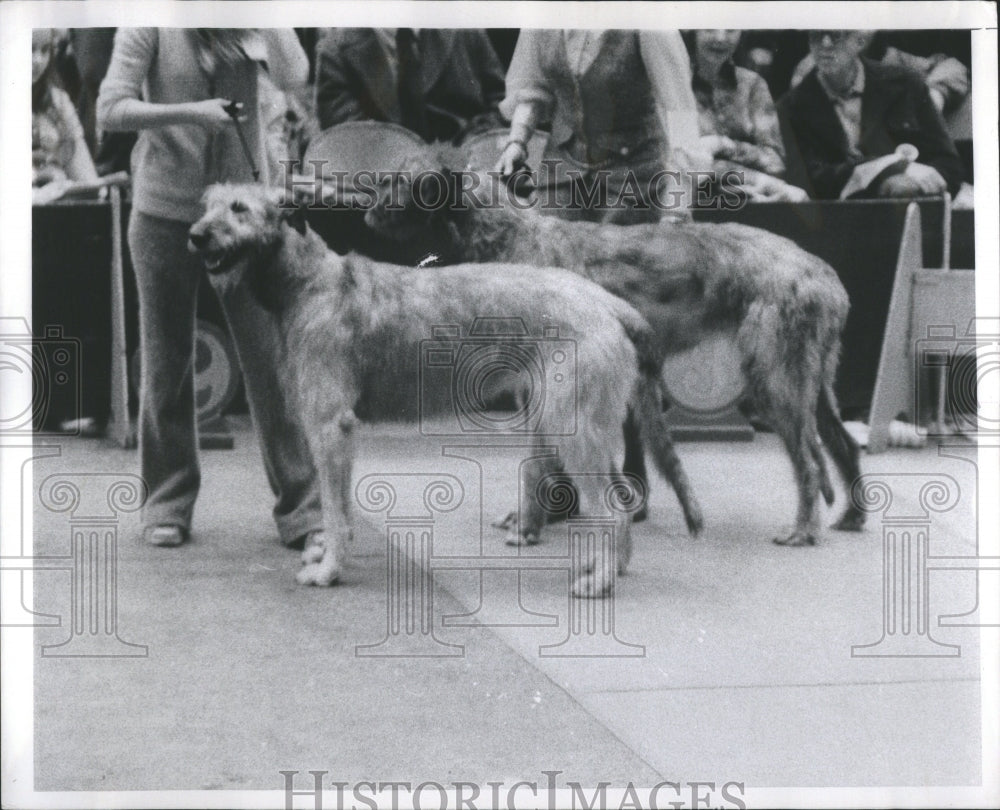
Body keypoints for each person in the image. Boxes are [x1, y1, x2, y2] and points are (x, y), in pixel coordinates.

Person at [97, 28, 324, 550]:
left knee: (271, 362)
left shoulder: (251, 20)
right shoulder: (149, 21)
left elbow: (296, 75)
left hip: (247, 219)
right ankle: (167, 504)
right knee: (165, 360)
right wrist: (191, 112)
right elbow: (111, 108)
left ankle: (305, 511)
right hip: (164, 211)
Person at [496, 29, 708, 223]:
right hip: (563, 168)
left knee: (617, 258)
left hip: (632, 175)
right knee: (549, 249)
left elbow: (679, 110)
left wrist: (678, 202)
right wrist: (517, 141)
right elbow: (533, 87)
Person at [778, 30, 964, 200]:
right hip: (835, 223)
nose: (825, 44)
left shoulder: (906, 85)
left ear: (860, 41)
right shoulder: (791, 107)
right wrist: (888, 170)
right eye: (816, 35)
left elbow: (949, 166)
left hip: (909, 213)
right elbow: (805, 182)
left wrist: (911, 184)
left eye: (836, 35)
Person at [314, 28, 506, 143]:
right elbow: (346, 137)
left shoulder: (467, 34)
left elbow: (503, 105)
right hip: (382, 193)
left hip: (469, 185)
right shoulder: (334, 53)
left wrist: (470, 146)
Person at [689, 28, 807, 202]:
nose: (721, 38)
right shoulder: (675, 85)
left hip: (751, 199)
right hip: (696, 201)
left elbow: (775, 161)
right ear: (693, 31)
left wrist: (724, 145)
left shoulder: (752, 84)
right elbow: (684, 164)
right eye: (710, 28)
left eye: (730, 30)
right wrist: (760, 179)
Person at [33, 28, 98, 205]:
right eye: (29, 50)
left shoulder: (58, 101)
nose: (38, 60)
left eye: (45, 50)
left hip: (55, 212)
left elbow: (87, 181)